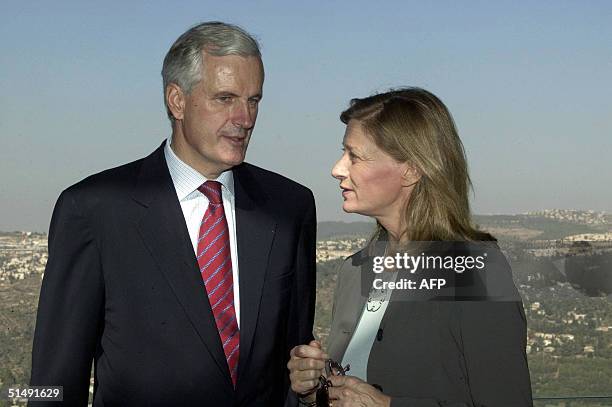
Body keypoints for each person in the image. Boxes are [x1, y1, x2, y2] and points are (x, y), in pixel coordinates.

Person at [30, 21, 316, 406]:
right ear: (177, 100)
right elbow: (54, 380)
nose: (245, 118)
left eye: (253, 100)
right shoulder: (94, 210)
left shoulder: (289, 207)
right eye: (225, 98)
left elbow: (291, 364)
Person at [288, 88, 533, 406]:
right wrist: (315, 387)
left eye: (355, 156)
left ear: (413, 169)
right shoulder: (356, 269)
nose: (337, 169)